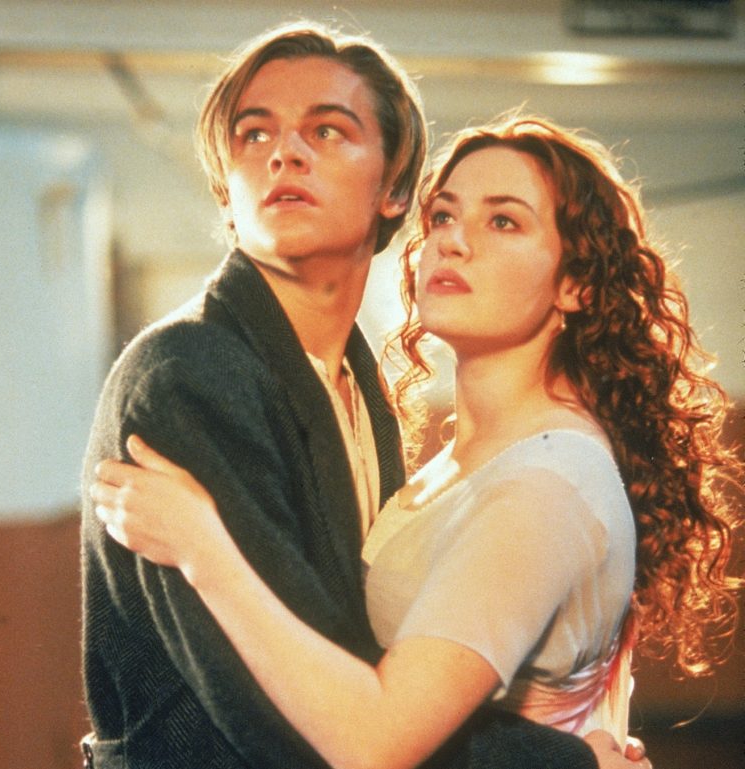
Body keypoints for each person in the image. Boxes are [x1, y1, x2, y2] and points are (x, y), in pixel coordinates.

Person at [92, 111, 744, 768]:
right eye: (443, 216)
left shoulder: (544, 486)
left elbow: (374, 744)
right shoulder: (467, 460)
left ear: (575, 284)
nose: (454, 241)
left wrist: (201, 547)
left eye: (503, 221)